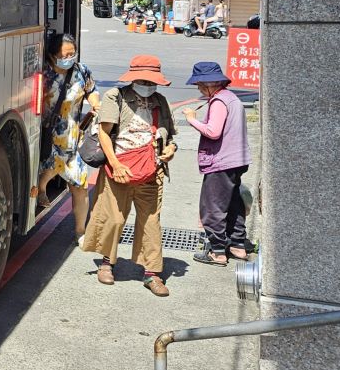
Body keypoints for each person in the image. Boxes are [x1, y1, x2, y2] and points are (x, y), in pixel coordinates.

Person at [82, 55, 178, 297]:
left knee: (151, 222)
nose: (148, 84)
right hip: (119, 168)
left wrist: (169, 151)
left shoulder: (160, 101)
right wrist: (115, 165)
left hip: (151, 170)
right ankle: (107, 263)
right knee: (113, 217)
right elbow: (104, 134)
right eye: (144, 79)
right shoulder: (116, 96)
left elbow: (171, 137)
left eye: (152, 80)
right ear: (134, 77)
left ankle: (152, 274)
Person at [184, 62, 252, 265]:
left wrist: (192, 119)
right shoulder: (231, 98)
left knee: (213, 205)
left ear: (207, 84)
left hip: (221, 161)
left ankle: (217, 251)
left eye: (199, 85)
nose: (199, 89)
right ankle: (238, 245)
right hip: (237, 159)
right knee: (234, 203)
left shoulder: (219, 101)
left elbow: (213, 132)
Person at [34, 33, 99, 242]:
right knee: (49, 168)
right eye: (65, 55)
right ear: (53, 56)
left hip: (72, 135)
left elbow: (91, 89)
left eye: (73, 53)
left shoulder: (81, 71)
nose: (70, 58)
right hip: (46, 134)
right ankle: (42, 186)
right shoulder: (42, 73)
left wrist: (96, 104)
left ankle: (80, 230)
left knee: (79, 185)